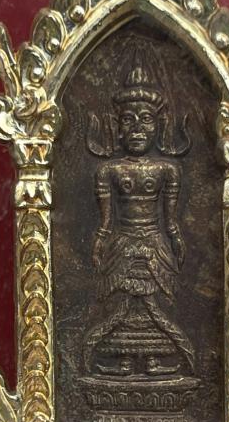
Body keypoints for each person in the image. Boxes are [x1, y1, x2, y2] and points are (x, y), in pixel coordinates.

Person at [82, 47, 195, 377]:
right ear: (116, 127)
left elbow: (171, 220)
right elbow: (105, 222)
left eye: (145, 119)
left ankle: (155, 360)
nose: (136, 129)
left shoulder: (167, 170)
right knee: (122, 304)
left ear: (159, 125)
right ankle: (124, 360)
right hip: (122, 241)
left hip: (155, 241)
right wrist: (100, 241)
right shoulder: (109, 170)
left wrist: (175, 239)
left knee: (153, 305)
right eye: (128, 120)